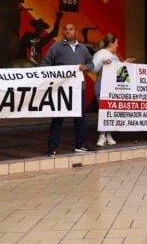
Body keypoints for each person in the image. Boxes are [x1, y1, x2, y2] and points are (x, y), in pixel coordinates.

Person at [41, 23, 93, 156]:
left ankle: (81, 145)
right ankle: (52, 147)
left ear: (76, 32)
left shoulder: (83, 48)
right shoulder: (56, 47)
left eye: (71, 29)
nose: (68, 31)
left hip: (78, 88)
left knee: (80, 117)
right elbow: (45, 63)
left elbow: (91, 63)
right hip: (61, 90)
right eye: (65, 29)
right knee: (58, 117)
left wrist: (86, 67)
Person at [92, 33, 134, 147]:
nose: (118, 45)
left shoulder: (114, 56)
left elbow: (118, 70)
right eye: (116, 43)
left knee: (110, 111)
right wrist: (103, 63)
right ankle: (102, 135)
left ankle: (108, 134)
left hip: (112, 85)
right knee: (103, 110)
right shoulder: (100, 54)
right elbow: (94, 69)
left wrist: (125, 63)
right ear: (111, 43)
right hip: (102, 83)